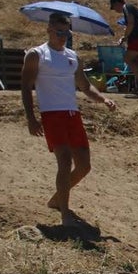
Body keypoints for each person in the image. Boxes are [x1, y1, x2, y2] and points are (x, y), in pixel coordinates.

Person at [20, 12, 116, 226]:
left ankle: (57, 199)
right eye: (59, 31)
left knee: (84, 166)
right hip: (51, 114)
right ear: (49, 30)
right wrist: (31, 117)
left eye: (66, 32)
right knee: (64, 162)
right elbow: (26, 86)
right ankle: (65, 213)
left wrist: (104, 99)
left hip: (72, 114)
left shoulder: (72, 57)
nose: (63, 36)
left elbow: (85, 86)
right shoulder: (36, 54)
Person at [109, 0, 138, 99]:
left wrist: (125, 37)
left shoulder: (126, 7)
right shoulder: (131, 8)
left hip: (137, 38)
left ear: (117, 3)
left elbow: (131, 23)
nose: (115, 10)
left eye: (114, 7)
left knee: (128, 59)